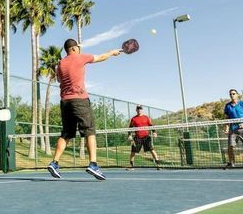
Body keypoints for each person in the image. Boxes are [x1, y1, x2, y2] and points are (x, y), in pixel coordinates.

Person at [47, 39, 121, 180]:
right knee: (90, 131)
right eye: (78, 48)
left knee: (66, 134)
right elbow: (101, 57)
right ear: (74, 48)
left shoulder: (61, 63)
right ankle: (93, 164)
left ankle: (54, 163)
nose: (79, 49)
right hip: (79, 100)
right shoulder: (80, 57)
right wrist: (112, 52)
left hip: (65, 102)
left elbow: (59, 80)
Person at [127, 105, 160, 170]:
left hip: (146, 137)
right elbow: (130, 128)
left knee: (152, 150)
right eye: (138, 109)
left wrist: (154, 132)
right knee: (133, 151)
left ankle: (158, 165)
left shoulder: (146, 118)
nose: (139, 110)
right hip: (137, 138)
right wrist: (129, 135)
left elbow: (151, 126)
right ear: (136, 110)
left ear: (142, 110)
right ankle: (131, 166)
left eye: (140, 109)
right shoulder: (133, 119)